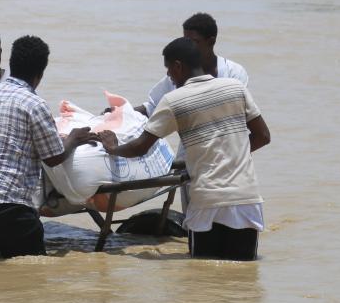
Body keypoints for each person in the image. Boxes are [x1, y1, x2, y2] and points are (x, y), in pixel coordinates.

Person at [98, 37, 271, 261]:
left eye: (169, 70)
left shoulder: (174, 100)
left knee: (203, 275)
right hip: (246, 199)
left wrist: (113, 148)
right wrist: (231, 155)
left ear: (178, 66)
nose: (169, 76)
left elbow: (141, 147)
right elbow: (263, 136)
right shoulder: (235, 88)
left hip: (207, 202)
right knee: (243, 277)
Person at [0, 35, 96, 258]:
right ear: (40, 74)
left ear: (10, 62)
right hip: (6, 207)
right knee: (33, 275)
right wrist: (73, 138)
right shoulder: (34, 104)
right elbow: (53, 157)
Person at [139, 12, 248, 116]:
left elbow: (235, 111)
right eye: (186, 41)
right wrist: (124, 111)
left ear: (211, 42)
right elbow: (152, 108)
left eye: (194, 42)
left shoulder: (234, 73)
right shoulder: (178, 74)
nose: (188, 46)